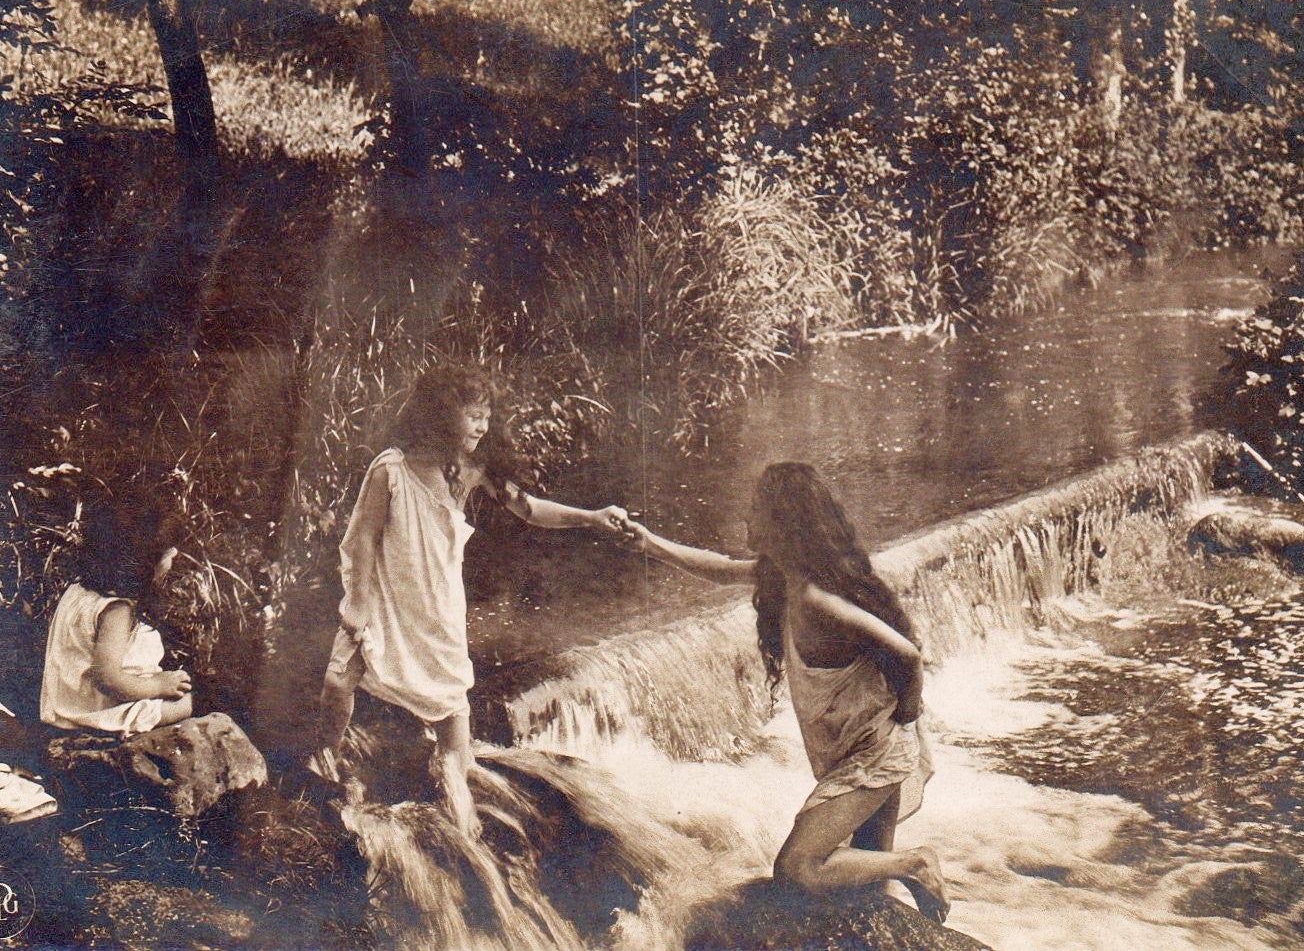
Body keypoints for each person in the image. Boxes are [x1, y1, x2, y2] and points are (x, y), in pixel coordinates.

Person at [622, 462, 948, 922]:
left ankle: (917, 865)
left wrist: (908, 717)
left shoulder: (818, 599)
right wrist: (652, 544)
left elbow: (907, 654)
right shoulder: (783, 577)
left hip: (873, 755)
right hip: (861, 748)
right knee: (868, 890)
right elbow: (720, 569)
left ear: (782, 522)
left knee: (797, 867)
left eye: (756, 509)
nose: (747, 518)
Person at [311, 363, 630, 831]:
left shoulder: (473, 470)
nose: (482, 426)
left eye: (486, 416)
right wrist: (357, 602)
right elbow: (362, 540)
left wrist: (593, 516)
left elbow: (529, 509)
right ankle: (326, 766)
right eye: (473, 415)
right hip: (383, 597)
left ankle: (459, 794)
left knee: (450, 705)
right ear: (441, 415)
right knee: (338, 682)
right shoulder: (392, 469)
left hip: (436, 601)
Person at [40, 503, 195, 736]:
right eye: (168, 555)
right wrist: (158, 686)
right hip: (95, 713)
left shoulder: (79, 590)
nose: (172, 561)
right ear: (145, 565)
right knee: (190, 701)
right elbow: (108, 680)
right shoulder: (117, 610)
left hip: (69, 703)